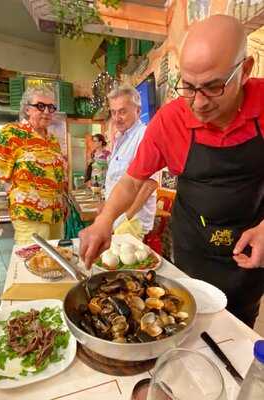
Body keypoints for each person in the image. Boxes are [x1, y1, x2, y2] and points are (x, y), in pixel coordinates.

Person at [79, 15, 264, 328]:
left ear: (244, 70)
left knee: (239, 327)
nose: (199, 102)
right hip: (193, 247)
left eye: (213, 87)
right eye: (189, 87)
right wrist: (104, 220)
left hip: (251, 248)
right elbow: (131, 180)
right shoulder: (170, 120)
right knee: (185, 318)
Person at [0, 86, 67, 244]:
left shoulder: (53, 141)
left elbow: (57, 178)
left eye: (51, 107)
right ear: (27, 109)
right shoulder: (11, 134)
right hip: (29, 215)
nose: (47, 111)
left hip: (56, 216)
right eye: (40, 106)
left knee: (55, 263)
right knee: (32, 262)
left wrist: (64, 203)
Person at [105, 84, 158, 240]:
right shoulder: (121, 138)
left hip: (132, 223)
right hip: (118, 219)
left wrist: (126, 218)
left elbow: (150, 184)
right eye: (113, 112)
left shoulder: (145, 136)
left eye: (122, 111)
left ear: (138, 111)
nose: (116, 118)